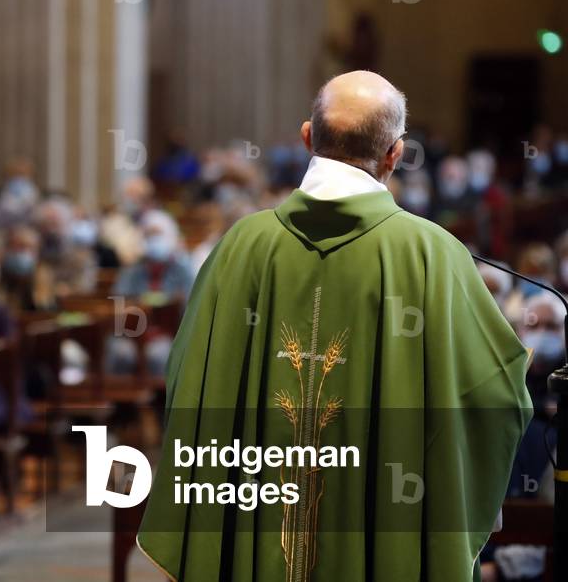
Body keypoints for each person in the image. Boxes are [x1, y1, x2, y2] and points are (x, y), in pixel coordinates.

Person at [138, 71, 532, 581]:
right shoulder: (434, 255)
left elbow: (190, 384)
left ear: (308, 137)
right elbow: (495, 396)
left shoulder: (240, 248)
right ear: (395, 153)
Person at [113, 209, 195, 301]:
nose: (154, 240)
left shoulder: (182, 270)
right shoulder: (133, 271)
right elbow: (120, 300)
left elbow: (191, 302)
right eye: (149, 235)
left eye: (158, 234)